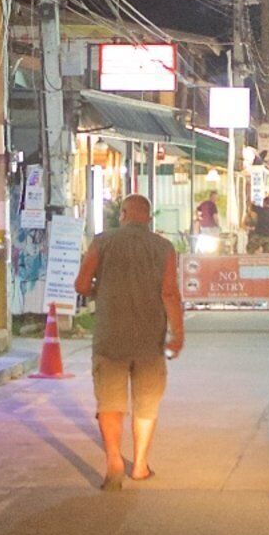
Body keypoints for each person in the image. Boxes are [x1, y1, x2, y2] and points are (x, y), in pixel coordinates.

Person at [73, 192, 184, 487]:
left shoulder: (102, 241)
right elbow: (170, 293)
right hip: (150, 341)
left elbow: (81, 284)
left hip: (110, 337)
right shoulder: (164, 248)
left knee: (110, 402)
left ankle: (113, 459)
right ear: (148, 218)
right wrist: (178, 334)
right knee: (146, 404)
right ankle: (141, 466)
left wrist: (103, 290)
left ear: (122, 214)